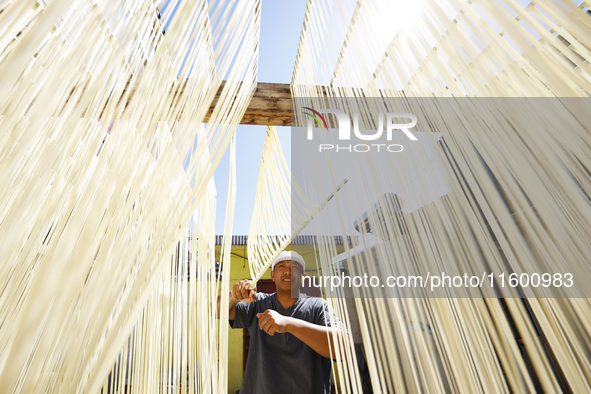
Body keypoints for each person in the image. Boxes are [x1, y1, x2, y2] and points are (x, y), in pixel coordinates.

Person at [217, 251, 346, 394]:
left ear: (303, 278)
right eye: (281, 266)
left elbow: (343, 348)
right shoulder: (257, 302)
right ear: (272, 275)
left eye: (295, 267)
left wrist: (289, 324)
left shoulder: (318, 306)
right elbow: (215, 310)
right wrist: (235, 295)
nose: (288, 271)